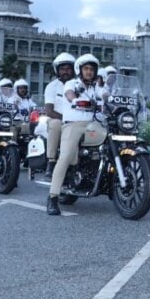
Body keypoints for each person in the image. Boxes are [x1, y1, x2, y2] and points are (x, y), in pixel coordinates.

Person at [47, 54, 106, 215]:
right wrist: (74, 100)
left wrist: (113, 99)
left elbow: (106, 95)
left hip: (93, 125)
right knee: (65, 156)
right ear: (79, 70)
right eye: (86, 69)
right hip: (73, 124)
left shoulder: (96, 88)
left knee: (109, 143)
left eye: (92, 69)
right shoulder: (72, 83)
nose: (89, 72)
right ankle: (52, 197)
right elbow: (69, 94)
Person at [41, 53, 76, 180]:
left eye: (68, 69)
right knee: (55, 124)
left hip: (77, 120)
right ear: (57, 70)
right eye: (62, 69)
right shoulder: (52, 86)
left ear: (73, 70)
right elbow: (49, 111)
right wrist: (66, 119)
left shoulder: (79, 85)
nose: (65, 72)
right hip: (57, 119)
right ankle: (51, 161)